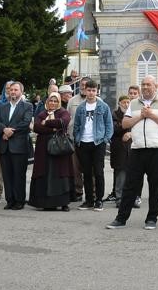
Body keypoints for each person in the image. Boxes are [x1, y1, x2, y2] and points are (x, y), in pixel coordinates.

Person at [106, 75, 158, 229]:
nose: (145, 87)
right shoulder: (134, 103)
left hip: (157, 149)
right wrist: (141, 116)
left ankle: (151, 218)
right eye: (143, 84)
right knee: (130, 185)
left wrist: (151, 115)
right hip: (137, 149)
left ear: (156, 86)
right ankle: (121, 218)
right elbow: (125, 123)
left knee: (155, 186)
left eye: (149, 84)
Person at [71, 80, 112, 211]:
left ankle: (99, 200)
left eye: (93, 90)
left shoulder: (103, 106)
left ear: (97, 91)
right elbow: (76, 125)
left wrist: (105, 139)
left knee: (99, 172)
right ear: (85, 91)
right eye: (89, 90)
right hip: (83, 143)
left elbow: (109, 125)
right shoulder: (81, 108)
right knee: (87, 173)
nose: (91, 93)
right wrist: (77, 139)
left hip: (98, 142)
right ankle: (89, 200)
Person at [29, 93, 73, 211]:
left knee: (60, 174)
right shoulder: (41, 114)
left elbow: (64, 122)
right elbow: (36, 127)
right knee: (44, 172)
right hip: (43, 149)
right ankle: (45, 203)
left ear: (58, 102)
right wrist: (53, 128)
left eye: (55, 101)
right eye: (51, 101)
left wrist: (47, 123)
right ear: (47, 102)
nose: (52, 103)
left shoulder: (63, 112)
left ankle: (63, 203)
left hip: (59, 148)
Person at [0, 82, 34, 211]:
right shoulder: (2, 107)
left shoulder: (27, 106)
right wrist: (4, 130)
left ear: (21, 92)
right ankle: (10, 200)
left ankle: (19, 200)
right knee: (7, 175)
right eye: (11, 90)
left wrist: (11, 131)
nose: (13, 92)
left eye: (16, 90)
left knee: (19, 175)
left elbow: (26, 122)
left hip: (19, 146)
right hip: (5, 145)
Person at [109, 94, 130, 203]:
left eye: (128, 102)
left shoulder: (132, 114)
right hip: (119, 147)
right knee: (120, 173)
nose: (126, 105)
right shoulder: (114, 114)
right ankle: (119, 197)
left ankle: (131, 197)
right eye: (124, 102)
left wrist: (130, 133)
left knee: (131, 173)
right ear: (119, 103)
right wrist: (126, 125)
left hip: (131, 147)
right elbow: (115, 128)